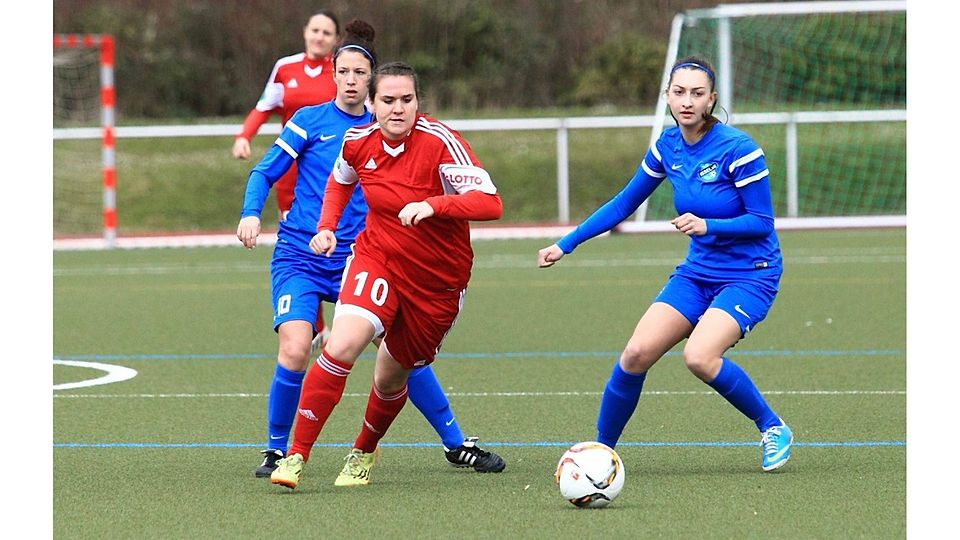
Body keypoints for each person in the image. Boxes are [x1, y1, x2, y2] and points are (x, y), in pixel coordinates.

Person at [237, 25, 504, 481]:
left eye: (361, 72)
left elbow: (489, 202)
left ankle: (449, 443)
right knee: (304, 348)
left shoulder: (407, 134)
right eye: (343, 71)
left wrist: (431, 205)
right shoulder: (316, 123)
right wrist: (259, 214)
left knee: (395, 364)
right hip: (311, 254)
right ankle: (281, 451)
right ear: (335, 75)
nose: (351, 80)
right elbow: (290, 176)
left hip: (392, 264)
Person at [538, 56, 793, 472]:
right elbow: (624, 203)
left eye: (697, 93)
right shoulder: (667, 146)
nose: (687, 101)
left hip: (750, 275)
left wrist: (707, 224)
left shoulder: (739, 149)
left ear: (712, 99)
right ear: (667, 97)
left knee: (699, 357)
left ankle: (772, 427)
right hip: (697, 274)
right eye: (679, 92)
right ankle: (602, 453)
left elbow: (762, 223)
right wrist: (566, 244)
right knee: (636, 353)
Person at [232, 10, 341, 352]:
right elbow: (264, 106)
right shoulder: (286, 67)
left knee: (330, 235)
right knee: (300, 242)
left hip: (327, 174)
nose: (320, 36)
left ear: (335, 39)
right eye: (315, 30)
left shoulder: (343, 72)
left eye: (327, 32)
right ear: (305, 32)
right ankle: (315, 325)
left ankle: (333, 324)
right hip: (289, 175)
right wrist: (244, 135)